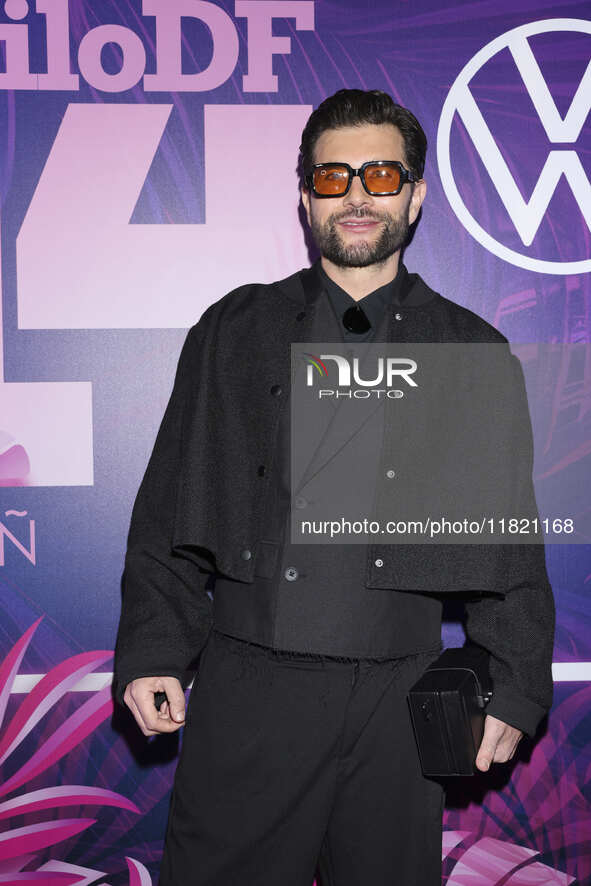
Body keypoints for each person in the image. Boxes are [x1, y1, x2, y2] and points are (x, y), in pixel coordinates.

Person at [113, 89, 556, 885]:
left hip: (401, 701)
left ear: (414, 196)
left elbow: (506, 544)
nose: (355, 194)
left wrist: (517, 684)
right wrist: (155, 647)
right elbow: (168, 505)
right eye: (333, 177)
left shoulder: (471, 349)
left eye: (381, 175)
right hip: (250, 690)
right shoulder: (233, 330)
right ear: (305, 198)